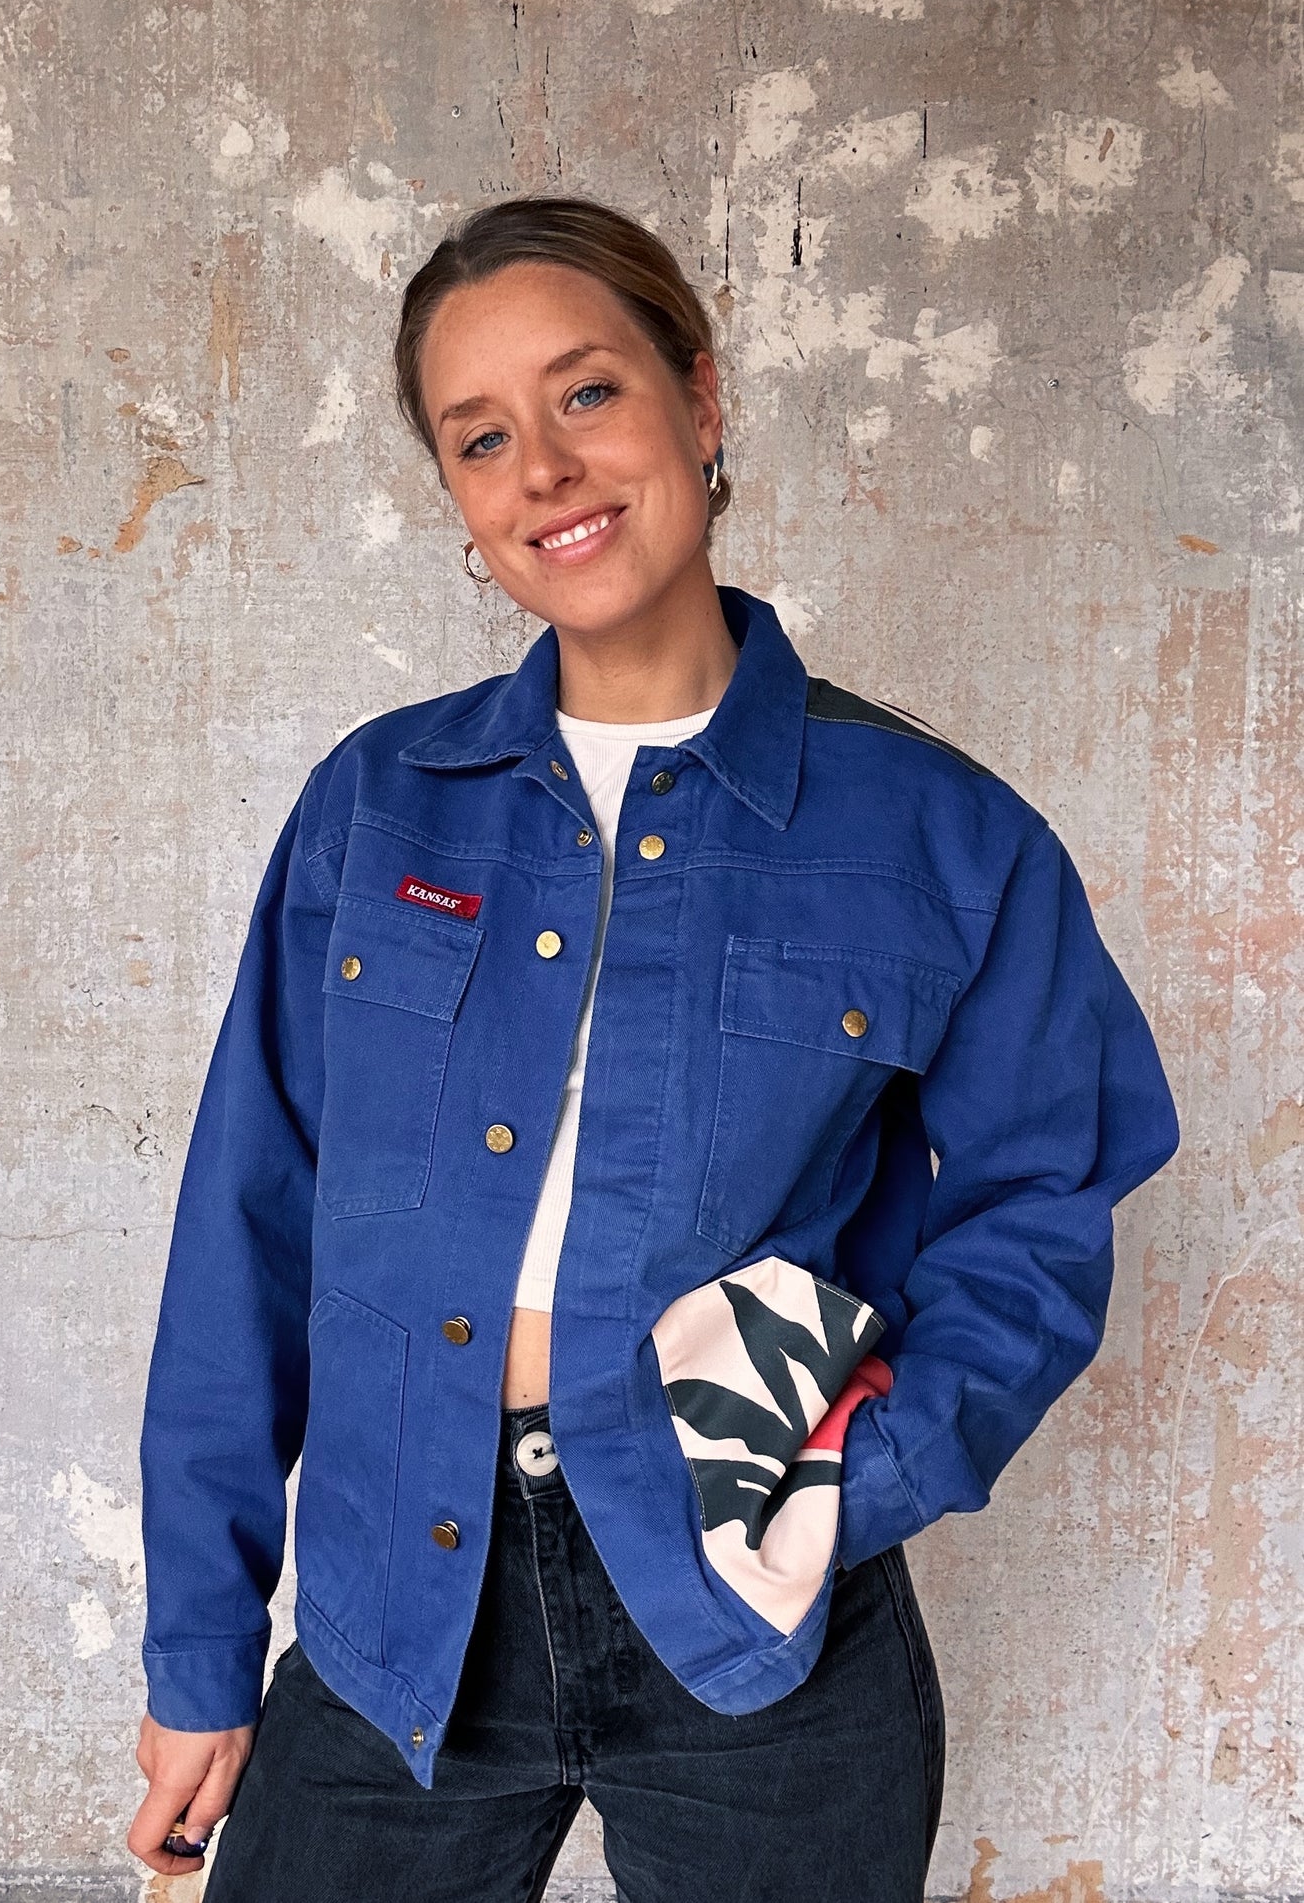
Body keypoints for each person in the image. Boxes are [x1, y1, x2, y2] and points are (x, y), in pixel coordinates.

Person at [127, 194, 1179, 1900]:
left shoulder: (942, 834)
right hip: (398, 1607)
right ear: (456, 496)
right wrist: (198, 1652)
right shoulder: (377, 805)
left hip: (758, 1641)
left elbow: (1041, 1202)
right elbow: (247, 1224)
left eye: (587, 393)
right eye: (481, 437)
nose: (543, 467)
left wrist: (860, 1484)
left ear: (698, 398)